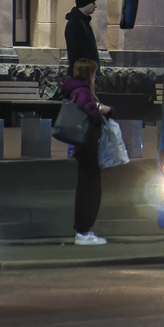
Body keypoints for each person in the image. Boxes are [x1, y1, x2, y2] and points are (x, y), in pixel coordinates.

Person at [60, 58, 112, 245]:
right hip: (87, 146)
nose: (95, 77)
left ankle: (82, 230)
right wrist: (104, 110)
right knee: (90, 189)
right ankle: (83, 231)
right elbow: (91, 112)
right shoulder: (83, 91)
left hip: (81, 147)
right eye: (94, 73)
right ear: (88, 74)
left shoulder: (73, 89)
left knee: (85, 187)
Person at [65, 0, 100, 70]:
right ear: (86, 4)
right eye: (93, 3)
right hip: (82, 73)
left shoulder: (83, 21)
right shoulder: (75, 23)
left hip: (87, 72)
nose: (95, 6)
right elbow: (74, 52)